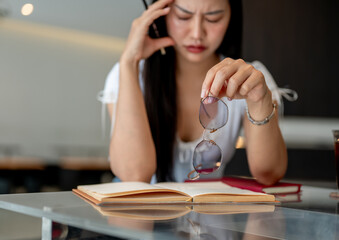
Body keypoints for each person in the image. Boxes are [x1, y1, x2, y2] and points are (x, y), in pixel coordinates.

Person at [99, 0, 287, 185]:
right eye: (183, 16)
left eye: (213, 18)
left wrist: (259, 100)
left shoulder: (248, 81)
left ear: (231, 17)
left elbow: (269, 173)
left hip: (209, 213)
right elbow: (135, 175)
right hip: (137, 214)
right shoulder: (129, 74)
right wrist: (128, 62)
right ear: (160, 13)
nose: (197, 33)